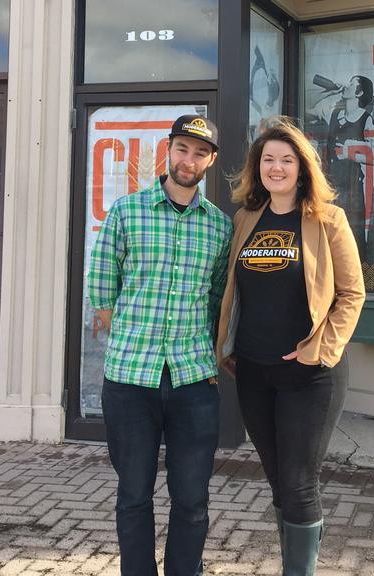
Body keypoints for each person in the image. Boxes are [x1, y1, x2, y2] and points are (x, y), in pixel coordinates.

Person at [217, 117, 365, 576]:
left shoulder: (327, 219)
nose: (276, 168)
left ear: (302, 168)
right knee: (279, 482)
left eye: (286, 160)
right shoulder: (244, 219)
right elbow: (233, 292)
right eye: (268, 159)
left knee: (300, 483)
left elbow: (352, 294)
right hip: (254, 372)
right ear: (256, 167)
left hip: (311, 375)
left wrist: (320, 350)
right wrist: (228, 347)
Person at [88, 114, 233, 576]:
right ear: (168, 150)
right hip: (131, 380)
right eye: (182, 149)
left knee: (192, 499)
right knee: (133, 495)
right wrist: (129, 336)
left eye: (200, 152)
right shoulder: (127, 212)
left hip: (193, 380)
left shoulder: (219, 227)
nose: (189, 160)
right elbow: (102, 286)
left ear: (211, 160)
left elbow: (217, 297)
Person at [323, 75, 374, 262]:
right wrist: (331, 90)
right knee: (328, 232)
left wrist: (348, 153)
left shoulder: (366, 119)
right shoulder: (334, 114)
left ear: (359, 92)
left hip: (353, 186)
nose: (346, 85)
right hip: (331, 184)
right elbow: (311, 109)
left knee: (353, 233)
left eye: (351, 84)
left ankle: (359, 272)